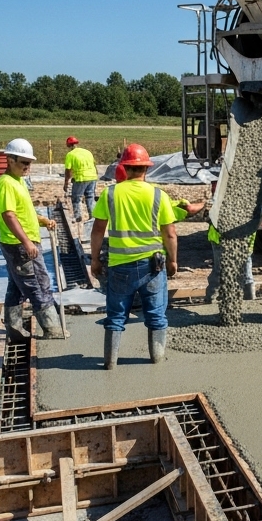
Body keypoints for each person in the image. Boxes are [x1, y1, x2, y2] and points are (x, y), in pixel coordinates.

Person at [90, 143, 178, 369]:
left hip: (120, 267)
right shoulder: (158, 195)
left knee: (116, 317)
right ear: (146, 169)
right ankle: (156, 359)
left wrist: (95, 259)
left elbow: (98, 230)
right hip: (152, 268)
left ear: (124, 168)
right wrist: (172, 260)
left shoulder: (110, 193)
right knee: (156, 315)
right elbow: (170, 233)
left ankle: (110, 362)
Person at [0, 138, 66, 342]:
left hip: (17, 244)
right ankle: (52, 329)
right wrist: (26, 242)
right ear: (10, 159)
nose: (27, 166)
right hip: (19, 246)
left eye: (29, 162)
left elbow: (23, 212)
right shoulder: (6, 183)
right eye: (23, 162)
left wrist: (41, 220)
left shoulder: (18, 181)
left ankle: (14, 328)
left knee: (16, 286)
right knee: (39, 284)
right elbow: (9, 215)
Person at [63, 137, 99, 222]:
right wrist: (95, 176)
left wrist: (66, 183)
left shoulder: (70, 154)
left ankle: (78, 216)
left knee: (76, 198)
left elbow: (68, 170)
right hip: (92, 177)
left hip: (81, 178)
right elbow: (94, 164)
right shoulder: (87, 152)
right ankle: (93, 216)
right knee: (90, 197)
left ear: (68, 145)